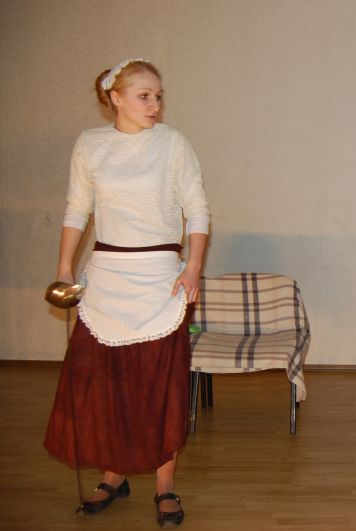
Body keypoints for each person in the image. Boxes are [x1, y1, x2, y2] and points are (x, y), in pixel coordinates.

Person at [44, 58, 210, 527]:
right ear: (115, 98)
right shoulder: (90, 144)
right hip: (106, 278)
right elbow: (77, 209)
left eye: (158, 96)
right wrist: (64, 268)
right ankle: (113, 476)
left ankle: (165, 486)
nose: (154, 104)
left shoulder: (173, 143)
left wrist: (193, 267)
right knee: (105, 385)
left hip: (161, 279)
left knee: (159, 386)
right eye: (144, 96)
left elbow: (198, 209)